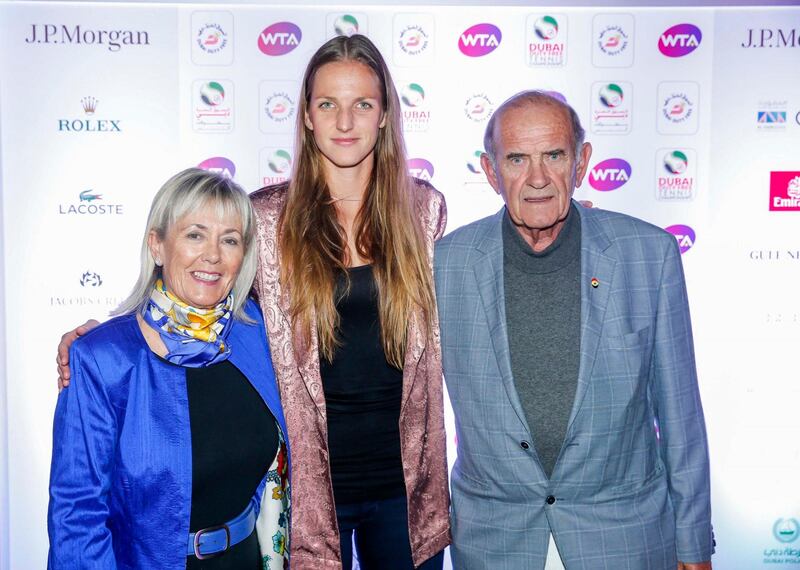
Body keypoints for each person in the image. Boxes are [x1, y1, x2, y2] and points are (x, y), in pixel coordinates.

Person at [56, 35, 449, 570]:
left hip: (406, 487)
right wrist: (102, 335)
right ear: (307, 117)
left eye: (363, 104)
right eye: (327, 104)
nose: (345, 121)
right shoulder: (267, 218)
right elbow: (199, 291)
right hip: (311, 493)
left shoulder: (423, 211)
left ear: (385, 115)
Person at [434, 90, 713, 570]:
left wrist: (692, 542)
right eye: (517, 158)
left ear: (581, 162)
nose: (538, 178)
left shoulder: (649, 254)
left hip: (623, 539)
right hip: (495, 543)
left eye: (554, 155)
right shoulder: (444, 264)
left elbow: (681, 417)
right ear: (490, 171)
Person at [48, 169, 290, 569]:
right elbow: (77, 516)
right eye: (195, 234)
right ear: (157, 246)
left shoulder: (259, 335)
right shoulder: (103, 359)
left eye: (229, 240)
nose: (212, 254)